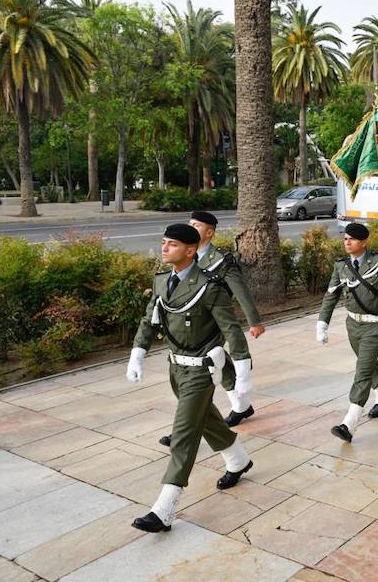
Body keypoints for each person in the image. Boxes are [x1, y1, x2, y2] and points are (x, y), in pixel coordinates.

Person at [126, 224, 254, 533]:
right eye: (163, 242)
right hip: (176, 369)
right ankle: (238, 460)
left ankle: (164, 509)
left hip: (202, 370)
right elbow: (150, 320)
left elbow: (231, 328)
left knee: (183, 434)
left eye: (172, 244)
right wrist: (138, 353)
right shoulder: (162, 282)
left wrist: (242, 369)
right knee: (206, 419)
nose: (164, 248)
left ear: (190, 250)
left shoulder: (209, 286)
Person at [156, 212, 263, 448]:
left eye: (197, 225)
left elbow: (240, 289)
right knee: (217, 364)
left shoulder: (221, 260)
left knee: (199, 374)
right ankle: (241, 406)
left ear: (209, 232)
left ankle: (182, 430)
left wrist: (254, 321)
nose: (191, 227)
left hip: (213, 324)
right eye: (190, 224)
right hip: (188, 326)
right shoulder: (184, 255)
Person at [316, 223, 378, 442]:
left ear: (364, 242)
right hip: (352, 325)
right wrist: (322, 323)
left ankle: (349, 422)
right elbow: (330, 296)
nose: (347, 242)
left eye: (352, 239)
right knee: (368, 364)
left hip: (373, 327)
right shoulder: (342, 265)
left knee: (363, 371)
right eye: (345, 238)